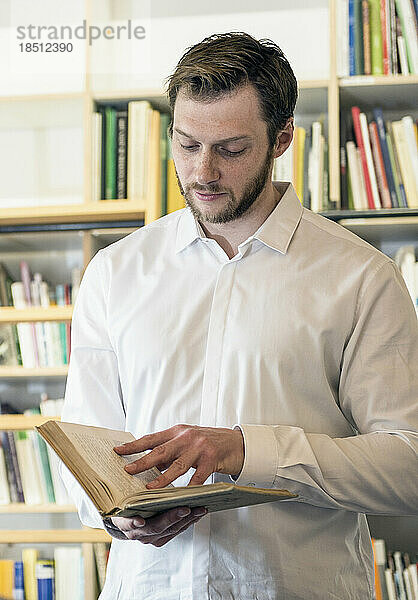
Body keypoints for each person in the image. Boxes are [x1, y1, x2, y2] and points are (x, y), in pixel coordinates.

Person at [61, 32, 418, 600]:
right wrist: (116, 516)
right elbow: (87, 451)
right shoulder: (113, 273)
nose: (202, 172)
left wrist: (247, 452)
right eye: (185, 144)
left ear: (282, 139)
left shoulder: (362, 277)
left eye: (230, 149)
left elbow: (409, 464)